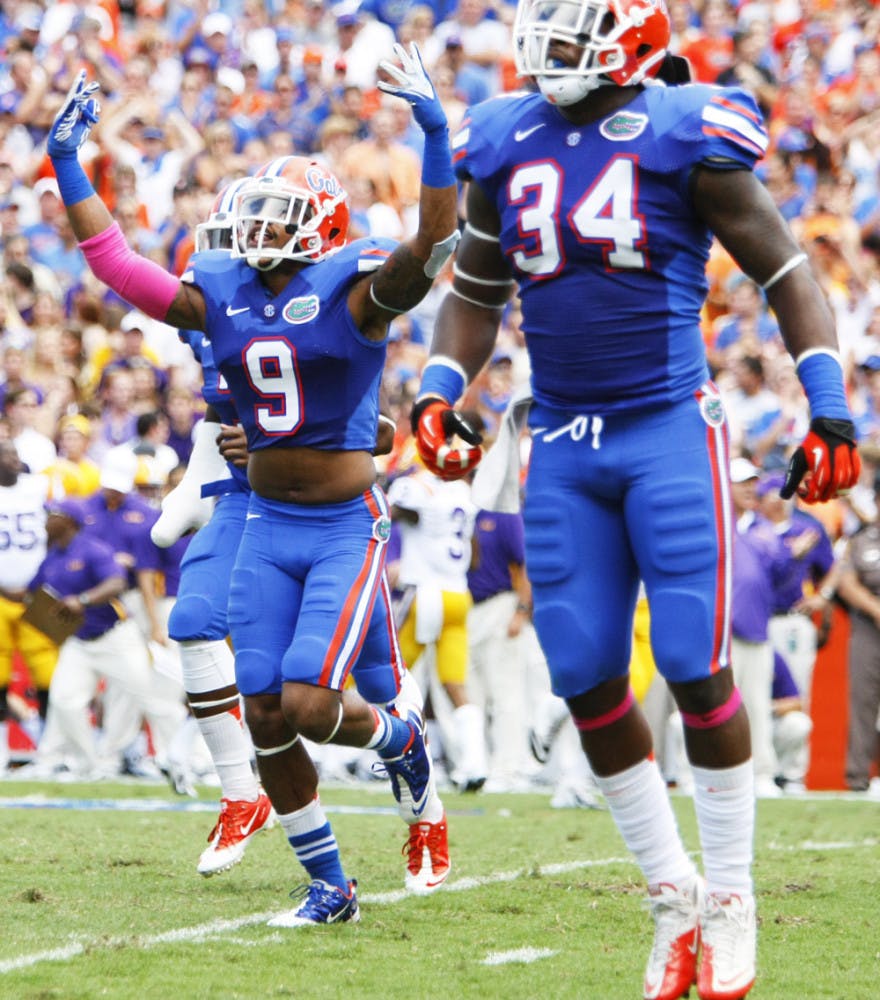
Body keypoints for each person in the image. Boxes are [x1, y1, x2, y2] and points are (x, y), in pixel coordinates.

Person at [407, 4, 861, 998]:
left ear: (630, 40)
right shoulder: (503, 133)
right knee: (581, 673)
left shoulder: (684, 126)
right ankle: (671, 896)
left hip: (665, 425)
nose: (546, 56)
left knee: (696, 663)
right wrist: (440, 387)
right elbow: (477, 287)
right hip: (563, 437)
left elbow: (784, 267)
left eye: (571, 37)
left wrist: (826, 403)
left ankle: (732, 895)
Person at [48, 42, 458, 924]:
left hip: (344, 522)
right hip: (264, 518)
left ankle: (404, 742)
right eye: (254, 216)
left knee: (311, 703)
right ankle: (329, 886)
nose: (255, 232)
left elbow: (431, 243)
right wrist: (67, 165)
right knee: (266, 714)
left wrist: (433, 131)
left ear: (317, 226)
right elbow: (119, 268)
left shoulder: (353, 287)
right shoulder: (226, 289)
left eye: (276, 218)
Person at [387, 460, 488, 792]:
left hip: (425, 593)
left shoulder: (418, 486)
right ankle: (475, 764)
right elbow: (474, 557)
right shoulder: (464, 492)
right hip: (458, 594)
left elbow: (391, 512)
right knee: (455, 683)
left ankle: (392, 755)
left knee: (395, 675)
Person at [0, 438, 54, 770]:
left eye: (15, 454)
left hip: (37, 596)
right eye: (6, 454)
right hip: (0, 595)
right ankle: (3, 748)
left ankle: (50, 749)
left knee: (51, 676)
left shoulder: (38, 488)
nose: (13, 459)